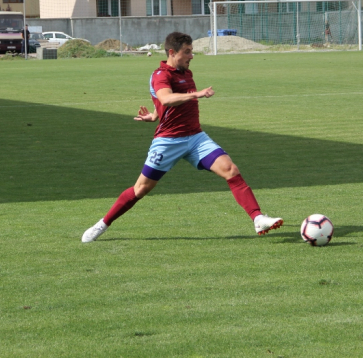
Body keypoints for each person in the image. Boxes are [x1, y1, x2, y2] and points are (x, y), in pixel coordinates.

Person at [82, 32, 284, 242]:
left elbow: (164, 104)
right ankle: (102, 224)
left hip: (196, 137)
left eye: (192, 51)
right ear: (172, 52)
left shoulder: (186, 73)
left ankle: (257, 218)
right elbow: (166, 98)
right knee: (141, 189)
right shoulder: (160, 74)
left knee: (231, 170)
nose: (192, 56)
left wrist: (154, 115)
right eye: (187, 52)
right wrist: (195, 95)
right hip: (168, 141)